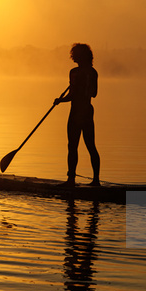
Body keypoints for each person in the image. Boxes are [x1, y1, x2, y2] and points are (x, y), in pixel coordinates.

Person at [54, 43, 100, 186]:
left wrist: (61, 100)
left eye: (75, 54)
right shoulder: (92, 72)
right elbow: (93, 94)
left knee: (75, 146)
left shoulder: (76, 72)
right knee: (89, 146)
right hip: (87, 110)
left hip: (78, 112)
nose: (73, 57)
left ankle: (72, 180)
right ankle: (94, 180)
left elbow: (76, 95)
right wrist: (61, 100)